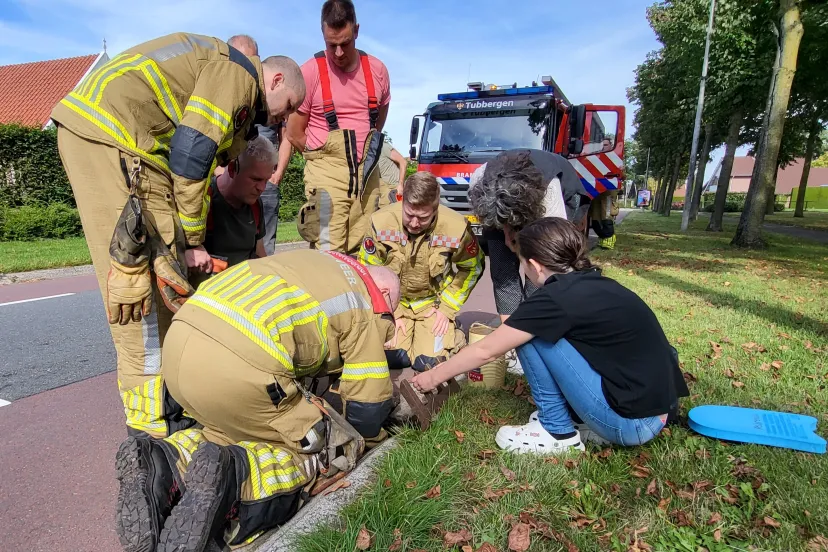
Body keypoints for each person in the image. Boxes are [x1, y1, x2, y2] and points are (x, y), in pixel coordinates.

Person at [51, 32, 305, 439]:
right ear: (274, 81)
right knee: (138, 288)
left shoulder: (219, 69)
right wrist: (193, 241)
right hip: (118, 140)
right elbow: (191, 158)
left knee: (158, 279)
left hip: (118, 138)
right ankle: (152, 428)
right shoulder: (239, 75)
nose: (282, 119)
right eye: (288, 106)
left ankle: (168, 404)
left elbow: (197, 167)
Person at [115, 249, 400, 552]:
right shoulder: (362, 300)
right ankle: (236, 481)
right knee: (318, 451)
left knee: (228, 429)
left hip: (179, 349)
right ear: (383, 292)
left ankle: (164, 461)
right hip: (244, 360)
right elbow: (368, 401)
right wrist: (363, 441)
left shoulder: (314, 261)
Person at [412, 217, 688, 455]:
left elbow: (488, 350)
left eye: (522, 264)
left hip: (630, 423)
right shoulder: (598, 283)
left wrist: (433, 377)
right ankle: (580, 419)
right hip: (658, 412)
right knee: (538, 331)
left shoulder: (554, 299)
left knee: (527, 334)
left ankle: (557, 432)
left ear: (535, 265)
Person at [286, 0, 391, 255]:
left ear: (356, 30)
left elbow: (377, 123)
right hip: (326, 174)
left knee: (368, 250)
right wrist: (323, 161)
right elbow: (294, 133)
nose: (339, 53)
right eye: (331, 45)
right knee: (328, 256)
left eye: (345, 43)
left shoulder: (377, 70)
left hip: (367, 175)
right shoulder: (310, 73)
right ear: (322, 34)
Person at [359, 171, 484, 371]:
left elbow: (472, 268)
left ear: (435, 209)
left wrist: (446, 308)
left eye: (423, 218)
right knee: (395, 359)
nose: (415, 224)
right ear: (403, 201)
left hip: (433, 305)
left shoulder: (456, 227)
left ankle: (455, 333)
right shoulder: (381, 222)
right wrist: (392, 312)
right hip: (394, 304)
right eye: (409, 215)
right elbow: (367, 269)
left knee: (426, 362)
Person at [468, 149, 589, 321]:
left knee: (541, 265)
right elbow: (492, 218)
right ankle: (510, 325)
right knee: (502, 268)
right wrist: (507, 236)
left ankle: (537, 319)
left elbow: (550, 246)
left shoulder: (549, 191)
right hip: (500, 201)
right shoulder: (478, 181)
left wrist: (522, 248)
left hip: (545, 198)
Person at [225, 34, 296, 256]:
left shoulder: (272, 101)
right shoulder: (224, 92)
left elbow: (288, 137)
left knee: (264, 246)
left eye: (252, 60)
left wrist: (276, 176)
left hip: (266, 180)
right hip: (228, 182)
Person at [186, 135, 277, 288]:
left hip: (245, 294)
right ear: (233, 169)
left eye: (266, 181)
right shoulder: (203, 202)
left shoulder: (255, 205)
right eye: (255, 179)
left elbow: (260, 254)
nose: (261, 188)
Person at [376, 142, 408, 207]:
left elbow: (403, 162)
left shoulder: (383, 147)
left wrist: (400, 185)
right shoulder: (370, 151)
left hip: (393, 188)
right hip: (381, 190)